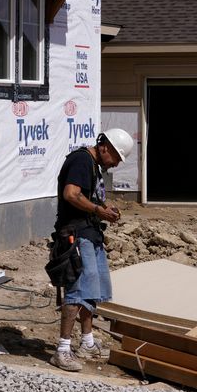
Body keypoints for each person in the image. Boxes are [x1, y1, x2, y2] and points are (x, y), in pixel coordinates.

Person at [49, 128, 134, 372]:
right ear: (105, 147)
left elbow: (89, 197)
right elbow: (71, 194)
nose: (116, 164)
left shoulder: (94, 166)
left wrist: (104, 207)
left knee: (92, 291)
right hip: (77, 235)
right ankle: (62, 350)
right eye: (116, 158)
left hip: (91, 233)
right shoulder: (80, 160)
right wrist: (98, 211)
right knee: (77, 291)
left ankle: (87, 342)